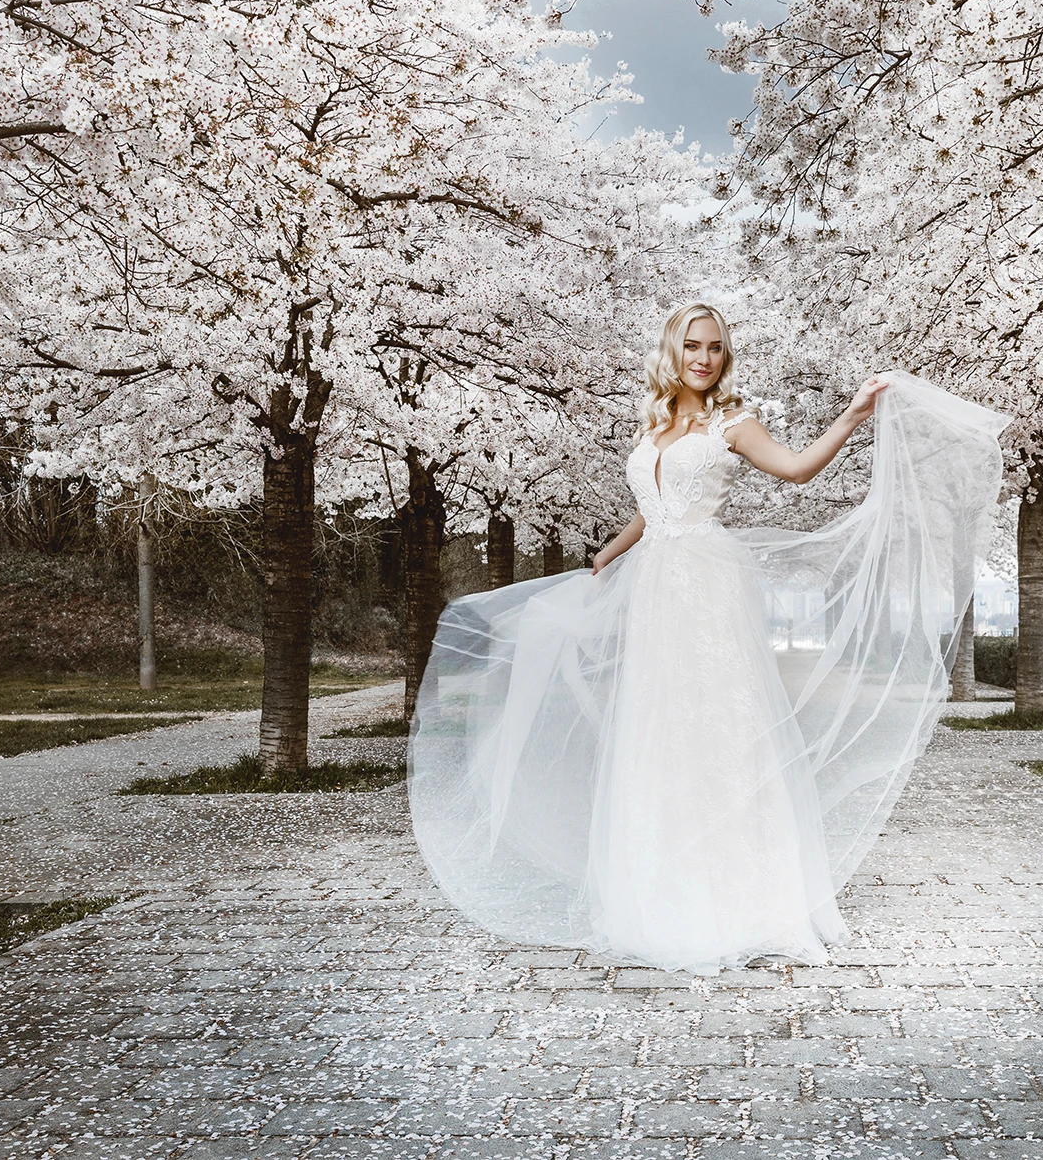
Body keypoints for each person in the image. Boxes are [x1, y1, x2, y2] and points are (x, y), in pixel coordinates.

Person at [409, 302, 1007, 974]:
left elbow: (797, 468)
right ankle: (663, 894)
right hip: (654, 586)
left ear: (725, 357)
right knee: (659, 730)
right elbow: (653, 505)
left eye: (715, 348)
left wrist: (852, 416)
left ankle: (743, 900)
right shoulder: (658, 421)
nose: (703, 357)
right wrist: (611, 551)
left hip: (708, 585)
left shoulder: (733, 422)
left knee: (720, 728)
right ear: (674, 350)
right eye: (692, 345)